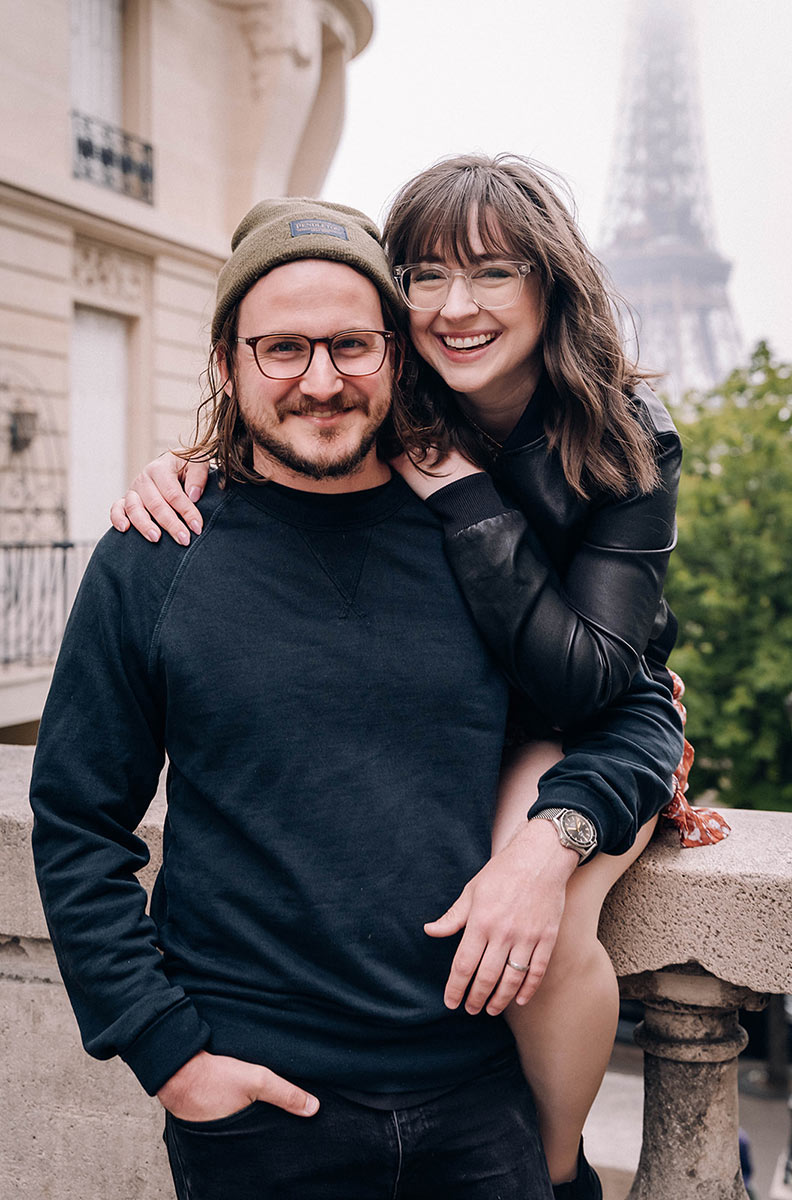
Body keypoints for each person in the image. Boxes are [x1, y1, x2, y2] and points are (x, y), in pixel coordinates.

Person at [31, 197, 685, 1200]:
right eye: (282, 350)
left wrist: (549, 840)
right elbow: (78, 821)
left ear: (396, 356)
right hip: (256, 1114)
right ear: (226, 363)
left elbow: (622, 710)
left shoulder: (474, 533)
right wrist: (169, 1057)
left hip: (481, 1105)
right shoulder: (154, 553)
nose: (320, 381)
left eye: (349, 346)